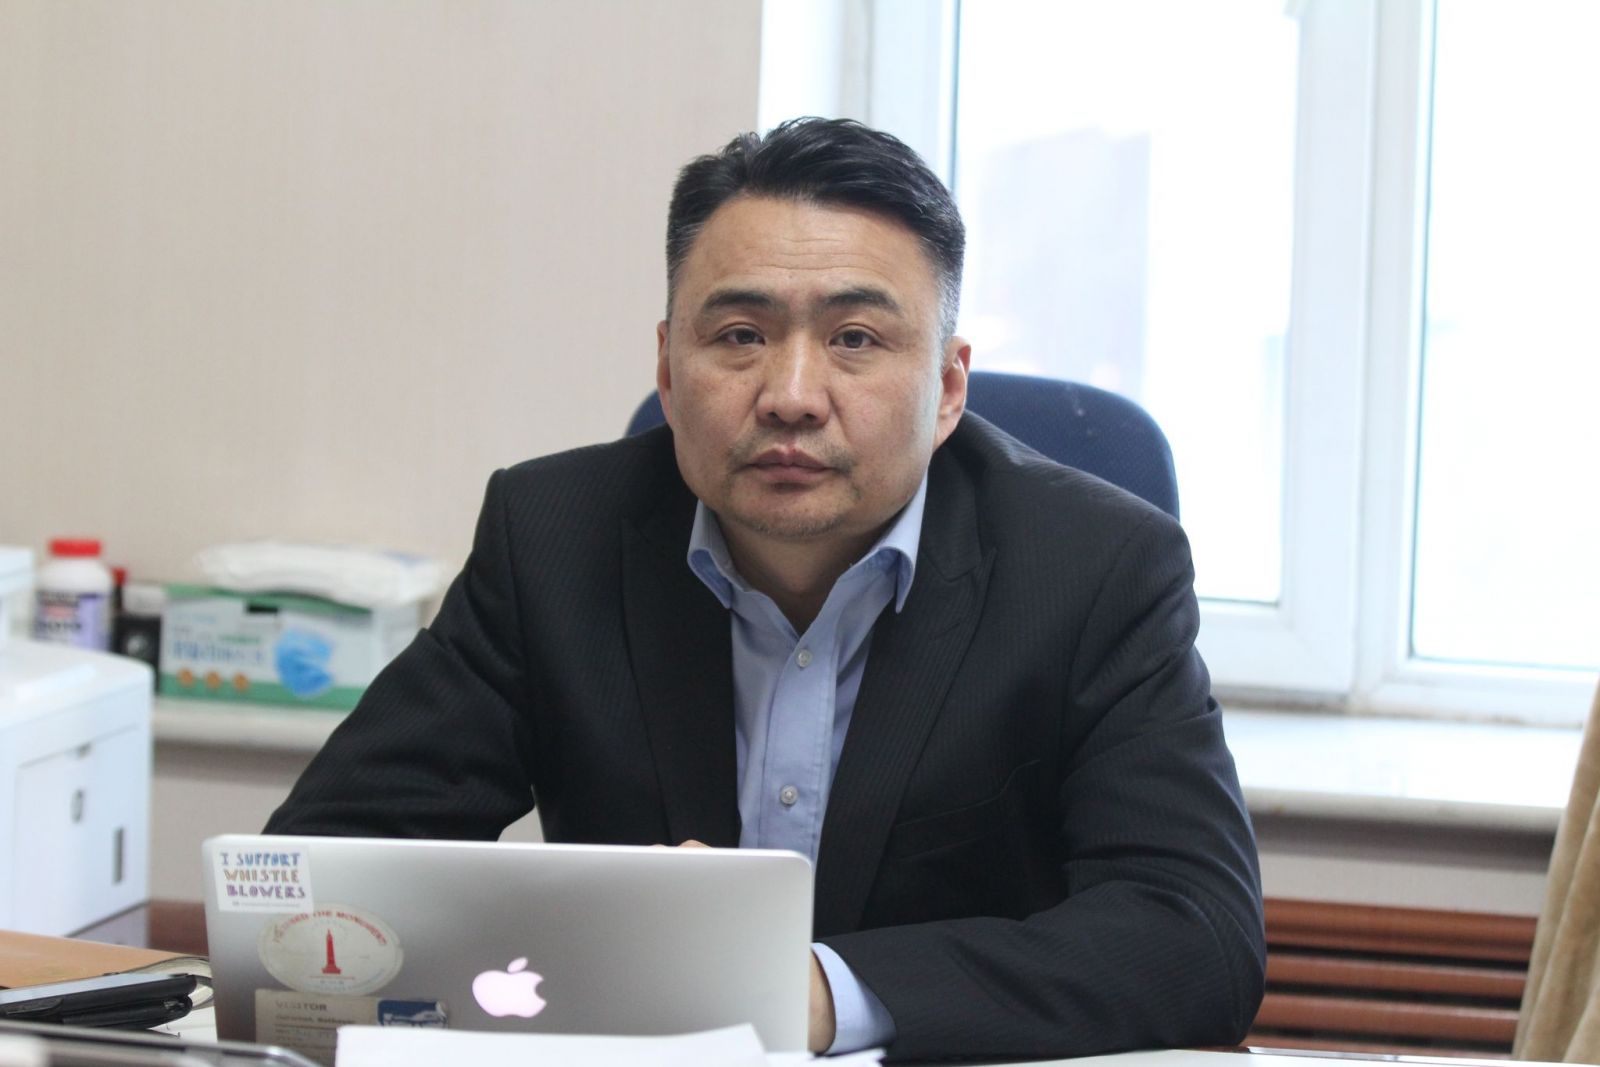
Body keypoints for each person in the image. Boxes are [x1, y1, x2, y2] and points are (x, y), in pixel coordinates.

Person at [265, 117, 1265, 1059]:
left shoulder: (1094, 567)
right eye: (741, 334)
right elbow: (320, 872)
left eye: (855, 339)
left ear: (949, 388)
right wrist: (574, 936)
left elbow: (1196, 933)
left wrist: (819, 992)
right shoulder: (553, 539)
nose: (790, 396)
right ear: (669, 370)